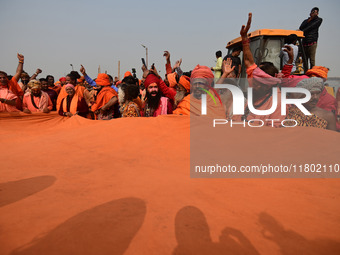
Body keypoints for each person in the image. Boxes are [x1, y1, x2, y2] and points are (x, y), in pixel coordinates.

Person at [234, 13, 285, 127]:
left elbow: (271, 136)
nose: (251, 84)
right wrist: (244, 40)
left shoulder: (277, 105)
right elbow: (248, 62)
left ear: (267, 85)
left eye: (257, 83)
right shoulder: (254, 96)